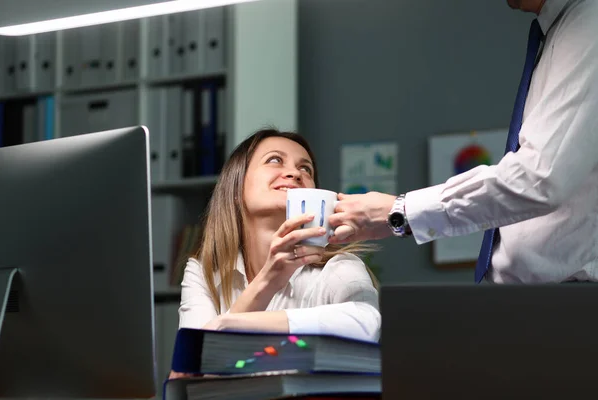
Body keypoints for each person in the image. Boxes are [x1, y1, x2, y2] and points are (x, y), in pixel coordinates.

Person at [328, 0, 598, 284]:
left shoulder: (588, 24)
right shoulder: (563, 30)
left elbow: (540, 177)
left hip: (570, 306)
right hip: (542, 303)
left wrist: (401, 211)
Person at [175, 129, 380, 344]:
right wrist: (268, 281)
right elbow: (193, 362)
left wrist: (230, 325)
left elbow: (366, 322)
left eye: (305, 168)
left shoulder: (338, 268)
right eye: (275, 160)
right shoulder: (203, 273)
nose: (295, 173)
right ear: (236, 188)